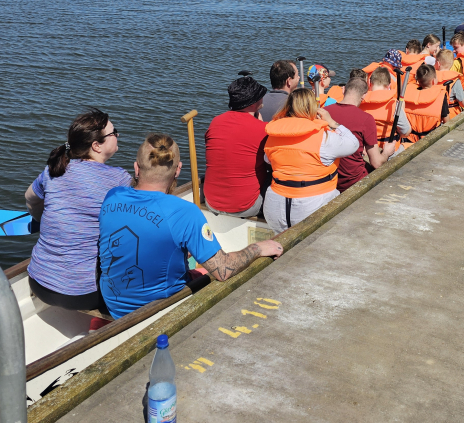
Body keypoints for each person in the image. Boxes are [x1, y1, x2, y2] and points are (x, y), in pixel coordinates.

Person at [99, 134, 282, 319]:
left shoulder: (112, 196)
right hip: (159, 311)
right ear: (178, 170)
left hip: (114, 306)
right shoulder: (184, 212)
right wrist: (258, 248)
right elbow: (223, 270)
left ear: (136, 167)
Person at [25, 109, 132, 314]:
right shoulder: (119, 179)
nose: (117, 135)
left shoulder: (54, 170)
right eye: (114, 132)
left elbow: (30, 199)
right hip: (84, 295)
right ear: (96, 146)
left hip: (38, 283)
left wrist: (43, 219)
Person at [262, 88, 360, 232]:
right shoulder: (324, 138)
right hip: (313, 204)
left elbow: (268, 159)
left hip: (275, 205)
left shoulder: (273, 135)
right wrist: (331, 122)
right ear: (313, 108)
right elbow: (353, 144)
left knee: (280, 241)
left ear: (287, 107)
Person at [203, 76, 269, 218]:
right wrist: (261, 125)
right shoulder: (263, 129)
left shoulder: (215, 122)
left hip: (211, 202)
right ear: (254, 102)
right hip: (245, 206)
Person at [324, 75, 396, 191]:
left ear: (343, 90)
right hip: (352, 181)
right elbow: (377, 163)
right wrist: (387, 152)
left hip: (329, 178)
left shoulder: (325, 112)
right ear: (364, 95)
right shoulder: (366, 119)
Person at [361, 66, 411, 143]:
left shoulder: (360, 101)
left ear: (369, 83)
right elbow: (405, 132)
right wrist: (402, 110)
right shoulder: (394, 105)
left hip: (364, 146)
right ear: (389, 86)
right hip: (387, 146)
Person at [402, 65, 449, 142]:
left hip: (409, 138)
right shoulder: (440, 96)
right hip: (431, 139)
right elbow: (447, 122)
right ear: (433, 81)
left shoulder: (406, 93)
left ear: (418, 80)